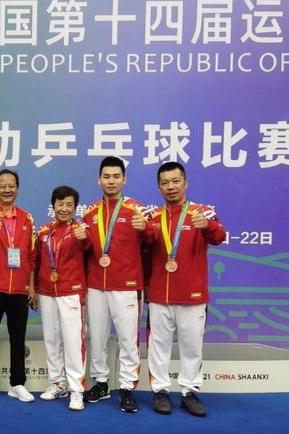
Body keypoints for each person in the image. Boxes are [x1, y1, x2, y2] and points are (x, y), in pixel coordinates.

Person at [143, 161, 226, 417]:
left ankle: (189, 392)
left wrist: (207, 226)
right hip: (160, 295)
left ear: (185, 183)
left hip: (193, 295)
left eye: (175, 181)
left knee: (192, 347)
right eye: (165, 183)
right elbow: (144, 249)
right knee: (158, 346)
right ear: (159, 188)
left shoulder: (202, 213)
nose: (171, 187)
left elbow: (220, 236)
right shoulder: (153, 217)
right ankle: (160, 390)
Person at [82, 156, 149, 413]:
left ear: (124, 179)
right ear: (99, 180)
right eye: (106, 177)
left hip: (126, 285)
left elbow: (153, 243)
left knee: (128, 339)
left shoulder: (138, 211)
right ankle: (101, 383)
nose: (111, 181)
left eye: (116, 176)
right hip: (96, 285)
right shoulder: (89, 213)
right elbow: (84, 249)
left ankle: (127, 388)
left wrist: (146, 229)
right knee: (97, 336)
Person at [0, 169, 37, 403]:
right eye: (2, 185)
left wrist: (31, 287)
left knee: (18, 337)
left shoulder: (27, 218)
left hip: (19, 290)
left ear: (17, 189)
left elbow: (31, 255)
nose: (7, 189)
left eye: (11, 185)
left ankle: (17, 383)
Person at [36, 186, 92, 411]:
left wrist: (84, 239)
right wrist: (34, 289)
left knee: (73, 340)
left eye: (69, 205)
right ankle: (57, 383)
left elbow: (89, 245)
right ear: (53, 206)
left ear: (75, 207)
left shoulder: (81, 229)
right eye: (60, 204)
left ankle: (77, 389)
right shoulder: (43, 231)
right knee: (52, 338)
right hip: (47, 290)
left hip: (71, 290)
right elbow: (37, 261)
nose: (64, 209)